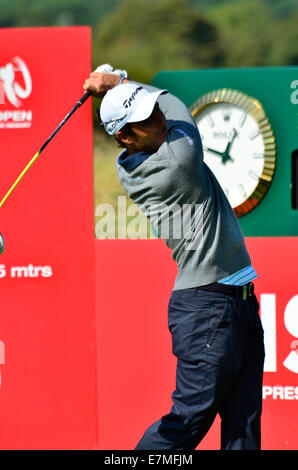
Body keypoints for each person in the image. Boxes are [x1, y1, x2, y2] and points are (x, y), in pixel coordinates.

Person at [84, 65, 265, 450]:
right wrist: (117, 84)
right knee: (186, 422)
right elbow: (177, 105)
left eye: (152, 110)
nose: (159, 118)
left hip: (236, 302)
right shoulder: (176, 160)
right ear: (124, 136)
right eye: (145, 119)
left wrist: (123, 91)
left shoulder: (137, 158)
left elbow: (163, 106)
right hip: (209, 309)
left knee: (244, 425)